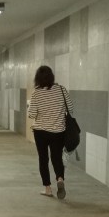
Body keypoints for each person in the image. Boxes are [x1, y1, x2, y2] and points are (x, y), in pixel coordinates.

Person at [27, 65, 73, 199]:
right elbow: (70, 108)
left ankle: (47, 188)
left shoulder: (36, 93)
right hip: (58, 131)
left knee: (43, 159)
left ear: (37, 78)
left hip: (40, 131)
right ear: (52, 76)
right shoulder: (61, 90)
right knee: (56, 157)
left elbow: (31, 114)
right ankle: (60, 179)